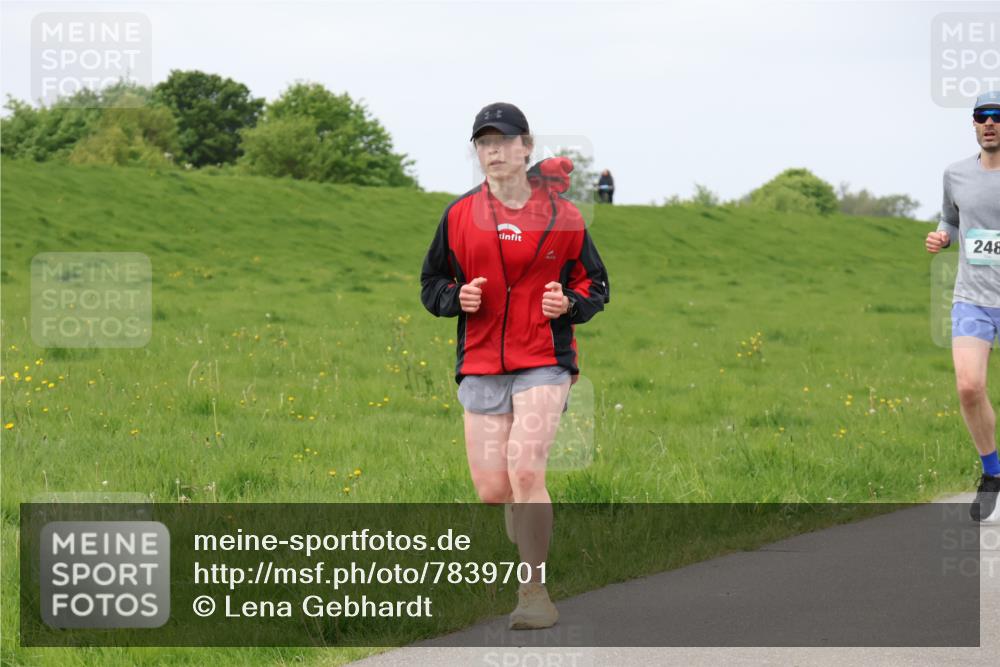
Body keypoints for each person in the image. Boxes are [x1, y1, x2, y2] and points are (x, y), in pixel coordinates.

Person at [420, 102, 610, 629]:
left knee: (527, 469)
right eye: (485, 143)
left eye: (504, 141)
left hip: (544, 361)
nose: (495, 151)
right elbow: (430, 284)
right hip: (481, 362)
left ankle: (534, 593)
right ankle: (517, 507)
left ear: (526, 147)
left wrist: (569, 305)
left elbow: (595, 284)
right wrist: (455, 298)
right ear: (477, 152)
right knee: (494, 488)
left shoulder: (562, 216)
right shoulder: (458, 215)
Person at [925, 90, 1000, 522]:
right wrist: (942, 236)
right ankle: (992, 474)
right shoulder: (955, 174)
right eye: (981, 116)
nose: (989, 122)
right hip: (972, 297)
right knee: (969, 387)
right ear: (973, 124)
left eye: (996, 116)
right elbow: (949, 219)